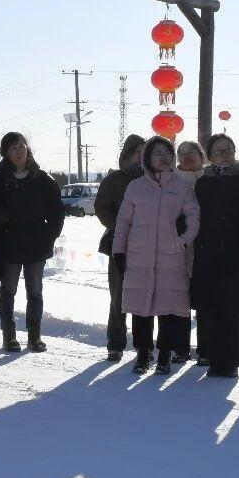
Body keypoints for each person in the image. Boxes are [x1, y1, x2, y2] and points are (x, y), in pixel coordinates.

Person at [113, 136, 200, 374]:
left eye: (167, 153)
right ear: (147, 158)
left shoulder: (182, 186)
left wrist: (182, 241)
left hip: (171, 258)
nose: (164, 158)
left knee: (167, 310)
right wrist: (119, 250)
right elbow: (123, 221)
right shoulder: (135, 187)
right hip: (139, 258)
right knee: (141, 310)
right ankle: (143, 354)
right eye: (158, 153)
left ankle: (164, 356)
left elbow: (193, 217)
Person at [191, 133, 239, 378]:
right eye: (219, 151)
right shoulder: (203, 183)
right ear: (210, 155)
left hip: (238, 255)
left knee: (234, 309)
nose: (225, 154)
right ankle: (211, 355)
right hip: (208, 254)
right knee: (210, 307)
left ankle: (230, 361)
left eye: (229, 149)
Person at [0, 132, 64, 352]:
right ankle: (9, 336)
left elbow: (57, 212)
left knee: (35, 291)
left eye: (21, 146)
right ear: (6, 152)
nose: (19, 151)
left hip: (36, 244)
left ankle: (34, 336)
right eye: (13, 147)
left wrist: (49, 236)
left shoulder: (42, 179)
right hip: (10, 243)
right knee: (8, 290)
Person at [94, 135, 145, 361]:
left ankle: (144, 345)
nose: (142, 156)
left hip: (148, 245)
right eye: (138, 152)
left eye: (145, 152)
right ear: (128, 154)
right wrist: (120, 227)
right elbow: (101, 207)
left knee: (145, 297)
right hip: (119, 245)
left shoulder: (154, 177)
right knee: (118, 297)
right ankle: (115, 344)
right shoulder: (114, 179)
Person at [174, 139, 207, 364]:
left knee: (205, 299)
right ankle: (179, 348)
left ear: (201, 155)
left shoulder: (211, 179)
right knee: (179, 298)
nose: (187, 156)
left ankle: (206, 349)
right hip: (179, 247)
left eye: (192, 152)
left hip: (207, 247)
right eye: (182, 153)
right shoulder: (171, 181)